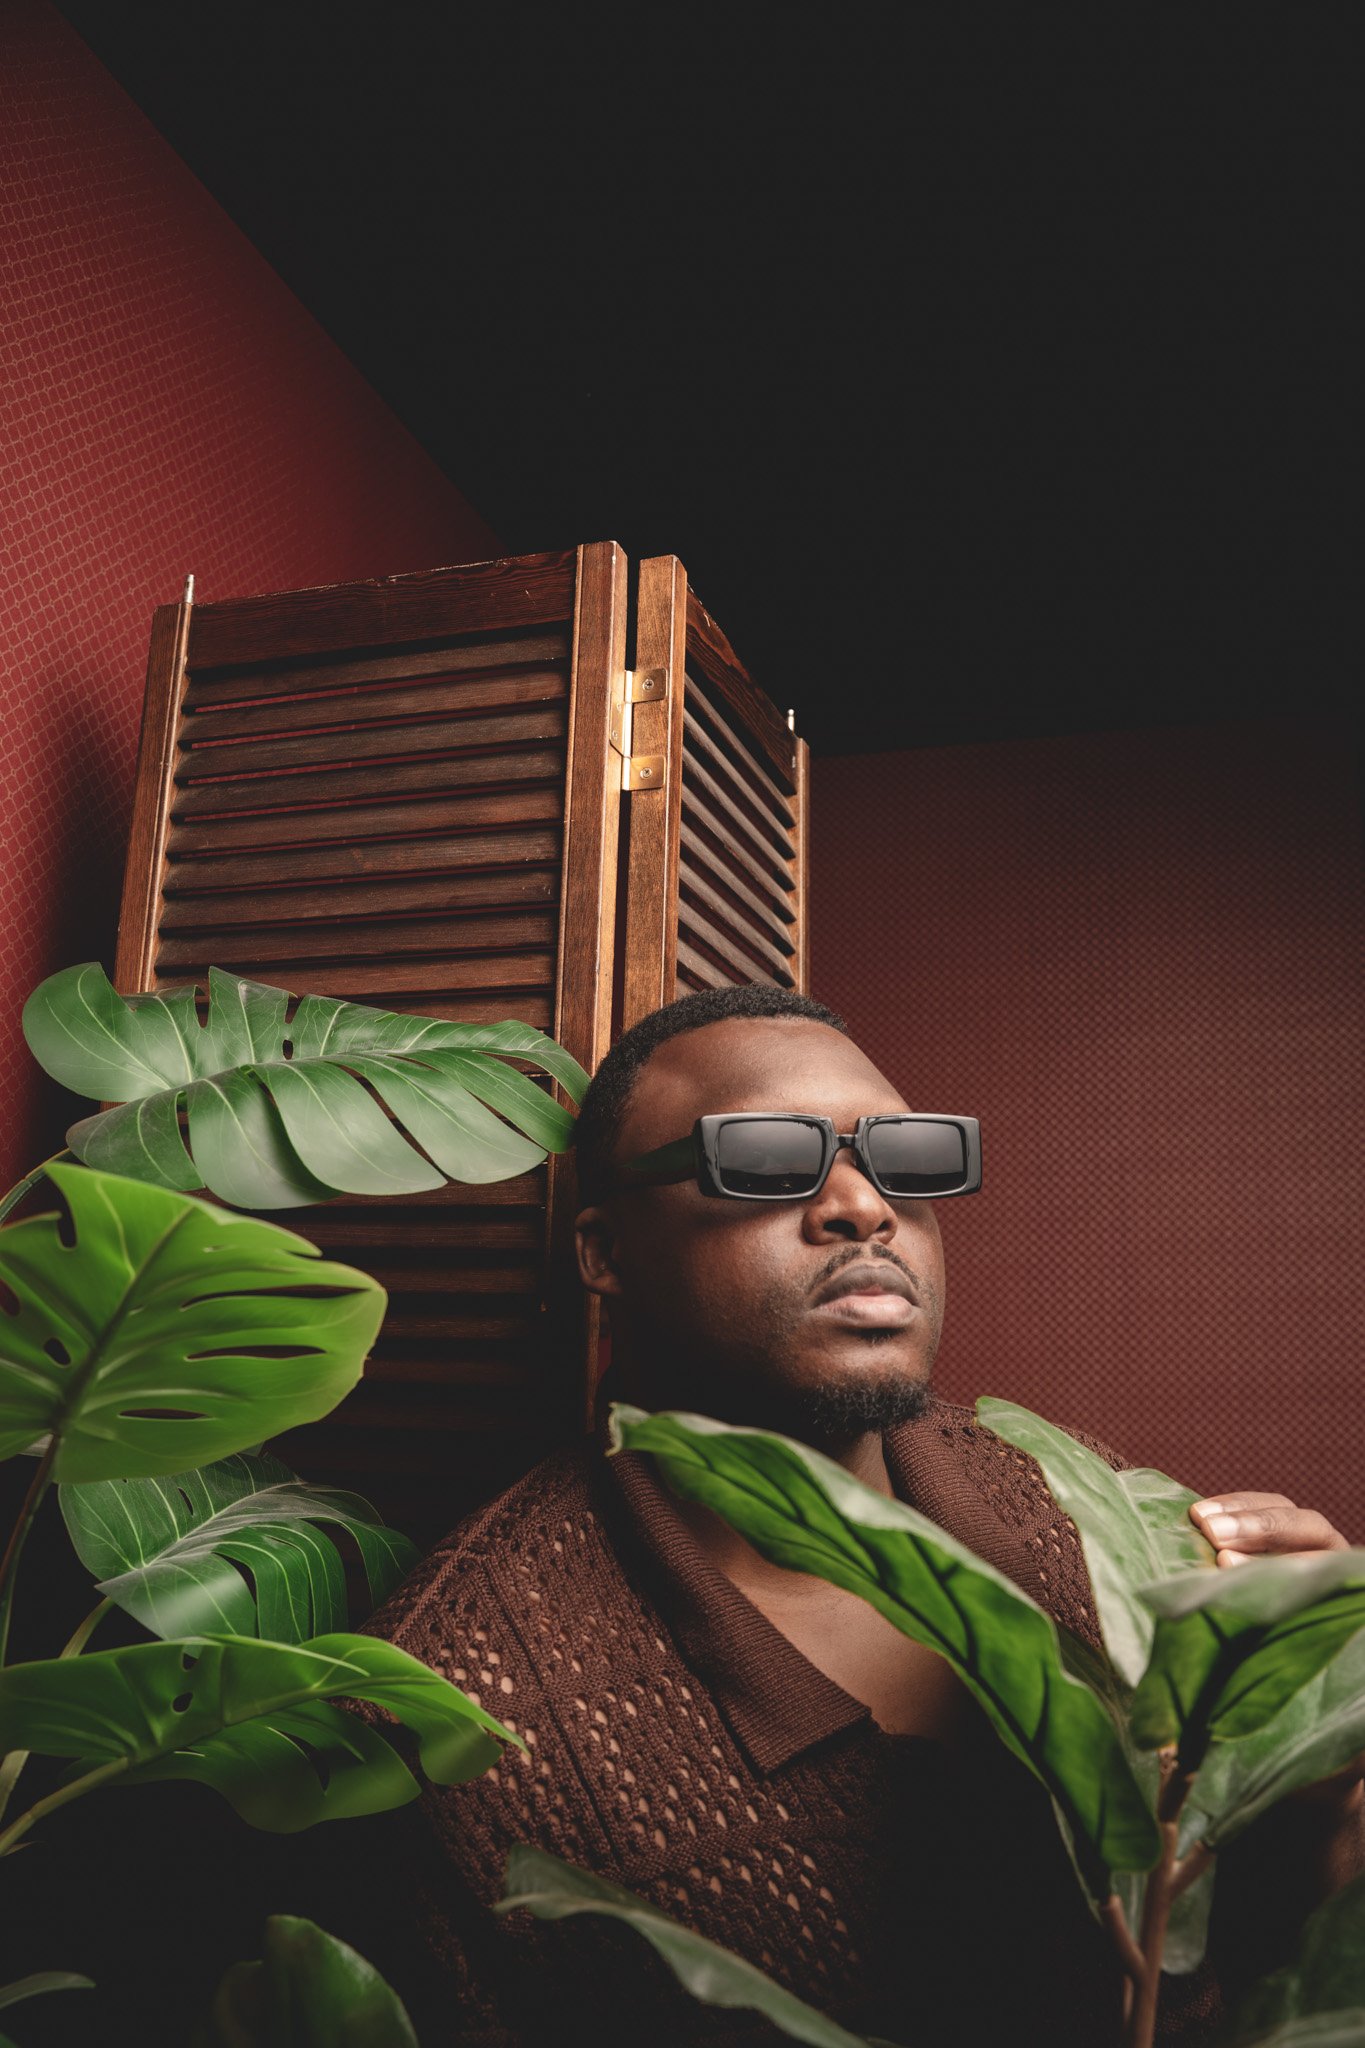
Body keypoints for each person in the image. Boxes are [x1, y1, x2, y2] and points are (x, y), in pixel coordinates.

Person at [331, 986, 1360, 2046]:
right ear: (607, 1253)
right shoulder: (450, 1715)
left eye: (905, 1157)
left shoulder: (1076, 1502)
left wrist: (1314, 1780)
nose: (862, 1205)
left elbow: (1251, 1966)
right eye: (770, 1156)